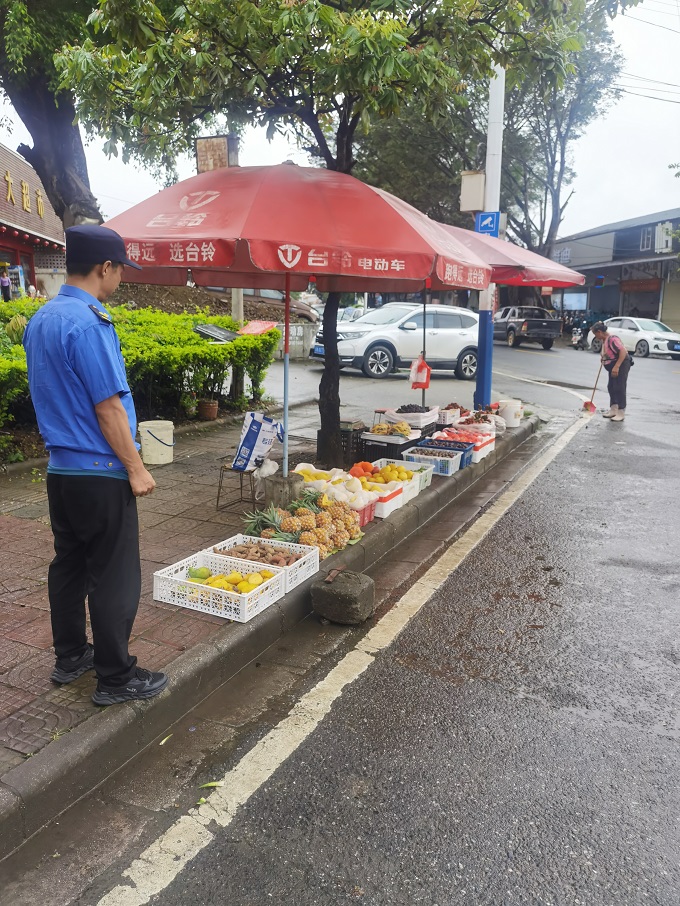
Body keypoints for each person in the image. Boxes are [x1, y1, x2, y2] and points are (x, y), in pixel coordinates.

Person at [23, 224, 169, 706]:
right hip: (101, 472)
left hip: (61, 473)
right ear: (105, 267)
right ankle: (116, 676)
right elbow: (107, 408)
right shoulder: (90, 322)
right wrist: (136, 467)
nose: (122, 277)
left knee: (69, 565)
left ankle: (71, 656)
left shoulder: (42, 319)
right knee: (113, 573)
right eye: (121, 268)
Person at [591, 321, 630, 422]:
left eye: (595, 334)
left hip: (621, 364)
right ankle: (614, 409)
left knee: (620, 387)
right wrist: (604, 358)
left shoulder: (613, 339)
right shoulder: (605, 339)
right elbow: (608, 353)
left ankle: (621, 412)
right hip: (611, 366)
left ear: (599, 332)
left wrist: (616, 366)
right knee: (611, 386)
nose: (596, 337)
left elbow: (623, 352)